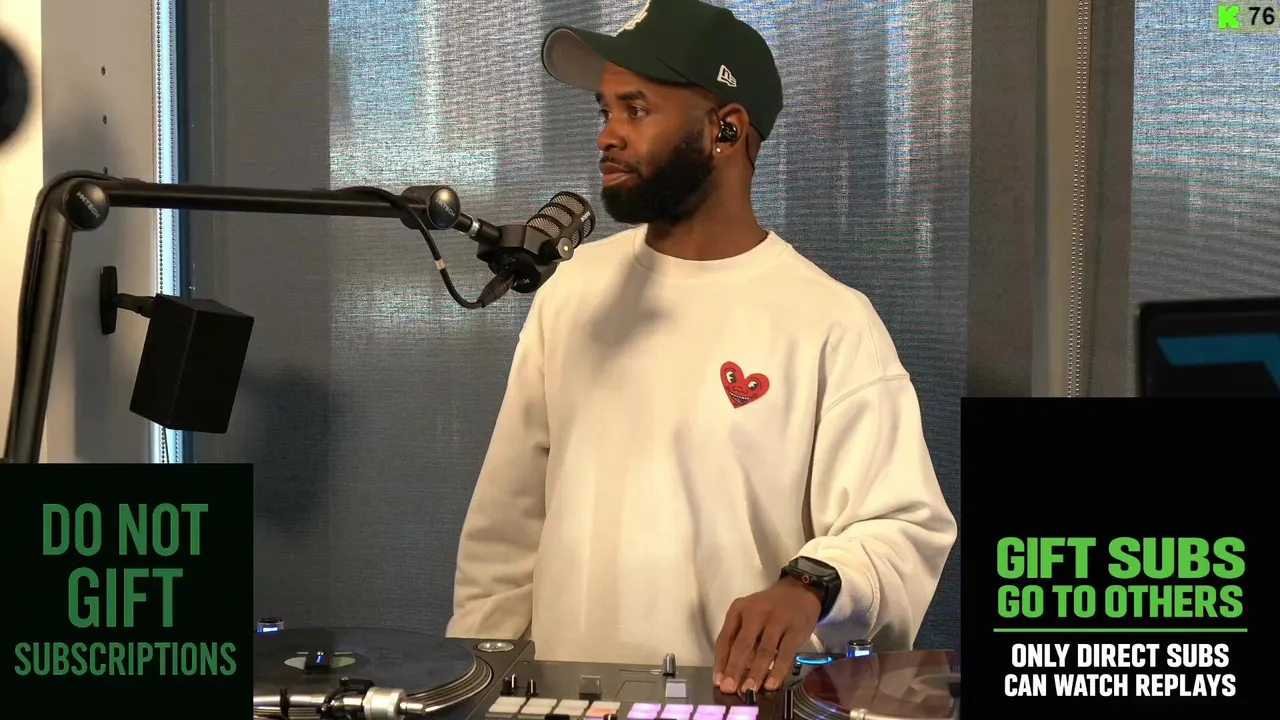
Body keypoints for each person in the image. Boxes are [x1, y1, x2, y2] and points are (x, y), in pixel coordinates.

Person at [446, 0, 957, 698]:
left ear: (726, 128)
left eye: (636, 109)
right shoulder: (573, 290)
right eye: (606, 111)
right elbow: (507, 529)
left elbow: (899, 527)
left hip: (735, 704)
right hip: (566, 701)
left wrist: (808, 585)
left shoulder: (831, 322)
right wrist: (482, 684)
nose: (607, 135)